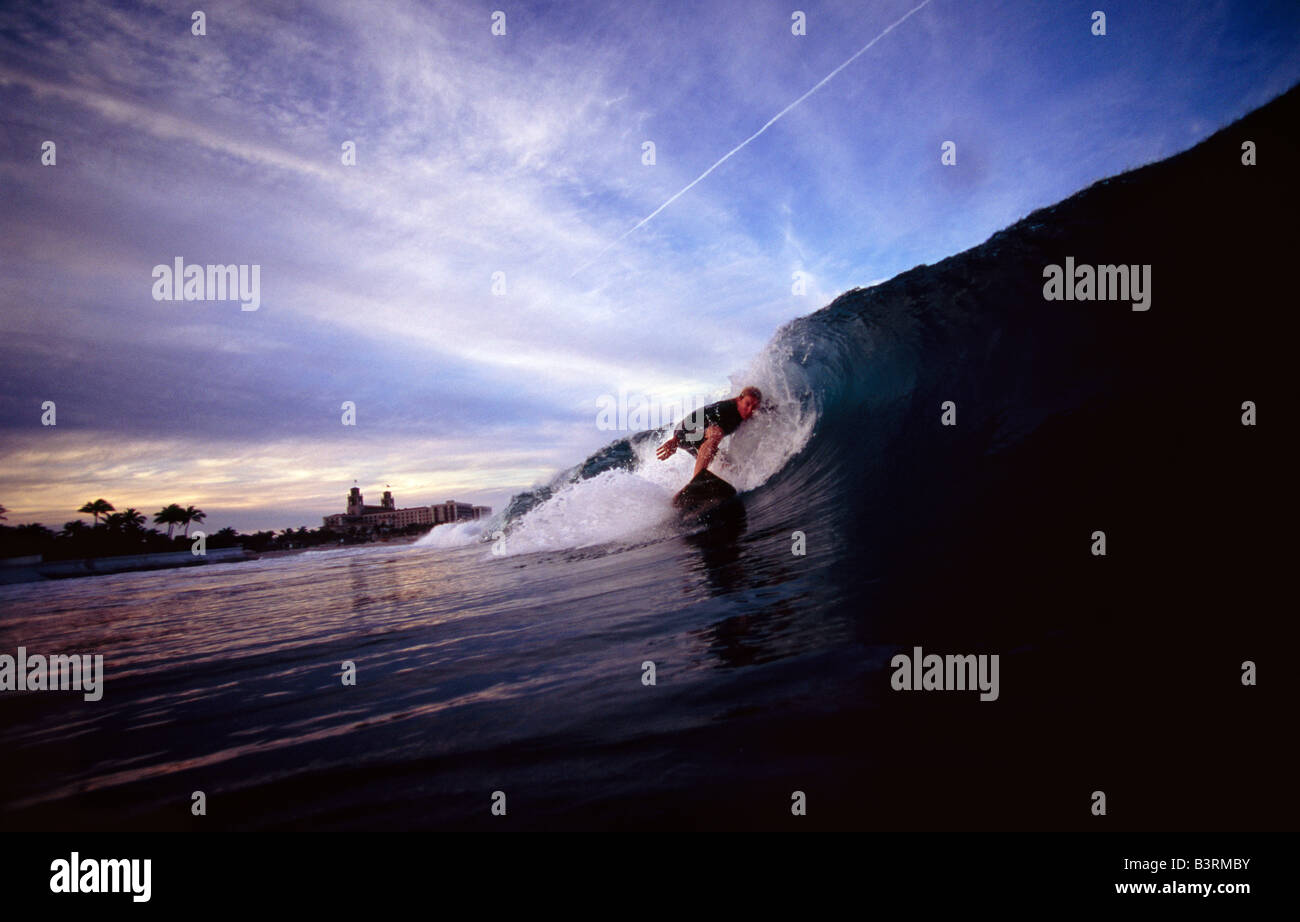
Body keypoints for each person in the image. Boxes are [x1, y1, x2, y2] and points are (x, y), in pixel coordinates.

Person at [656, 386, 762, 480]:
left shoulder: (748, 410)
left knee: (726, 465)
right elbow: (694, 417)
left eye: (754, 407)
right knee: (716, 432)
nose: (749, 410)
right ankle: (696, 481)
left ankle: (710, 487)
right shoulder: (725, 408)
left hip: (699, 441)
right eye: (747, 404)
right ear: (740, 399)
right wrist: (676, 439)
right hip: (685, 434)